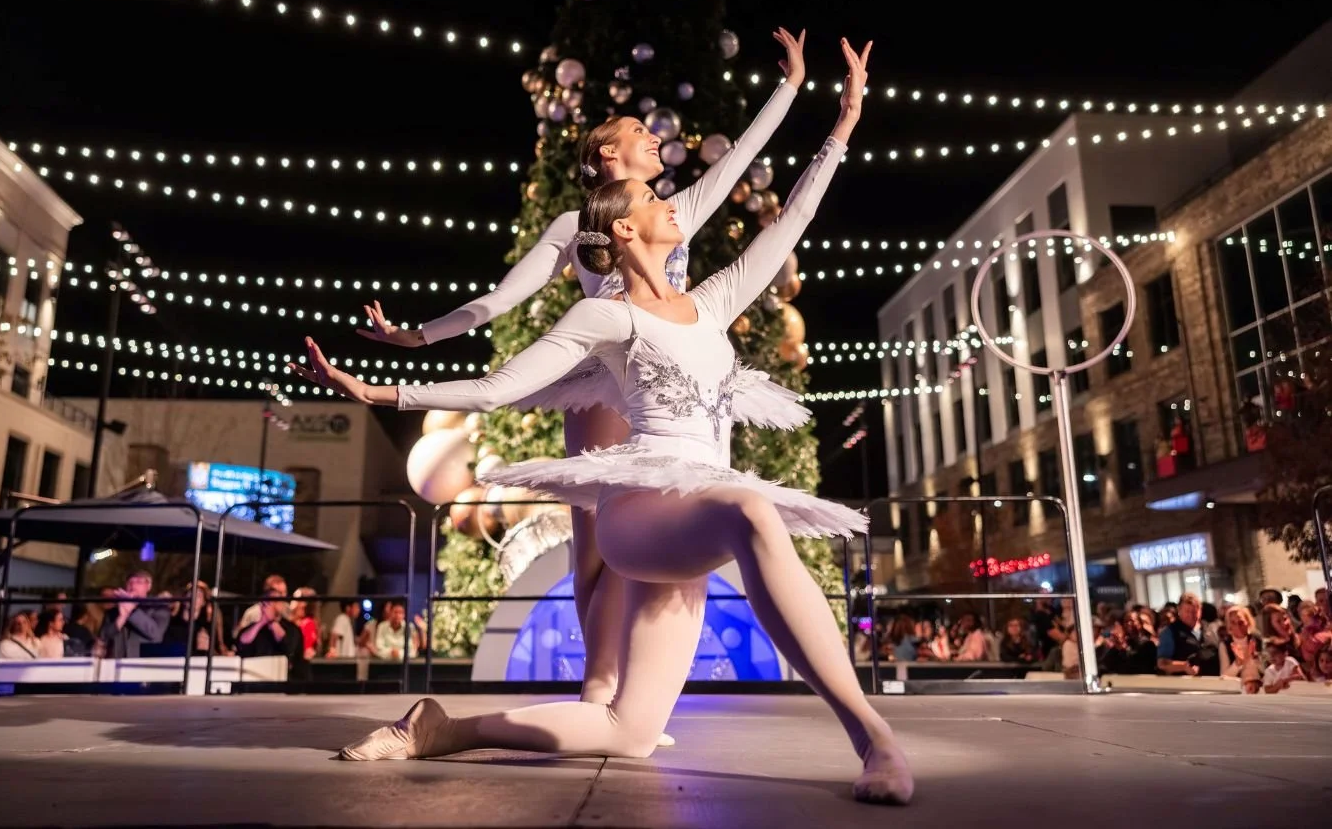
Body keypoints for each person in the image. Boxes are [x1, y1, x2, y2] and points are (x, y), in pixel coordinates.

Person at [292, 39, 913, 806]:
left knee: (629, 728)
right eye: (656, 202)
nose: (675, 202)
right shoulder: (605, 316)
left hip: (697, 500)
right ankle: (875, 740)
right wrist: (378, 389)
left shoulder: (714, 301)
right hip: (641, 508)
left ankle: (439, 729)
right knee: (751, 510)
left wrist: (842, 123)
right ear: (623, 229)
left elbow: (794, 220)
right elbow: (497, 386)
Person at [352, 29, 809, 735]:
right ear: (605, 153)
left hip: (664, 371)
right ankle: (600, 687)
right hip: (601, 376)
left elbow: (741, 157)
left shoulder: (672, 211)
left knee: (646, 534)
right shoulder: (576, 224)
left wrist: (790, 85)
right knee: (598, 541)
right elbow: (502, 299)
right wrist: (419, 337)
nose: (655, 137)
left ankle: (621, 696)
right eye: (638, 132)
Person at [99, 570, 171, 658]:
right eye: (130, 582)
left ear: (148, 586)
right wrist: (121, 619)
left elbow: (156, 634)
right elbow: (103, 637)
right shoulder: (115, 610)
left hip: (143, 661)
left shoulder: (159, 607)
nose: (133, 585)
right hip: (116, 661)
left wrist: (132, 611)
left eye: (138, 582)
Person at [236, 589, 305, 676]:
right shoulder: (254, 628)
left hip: (281, 676)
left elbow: (288, 646)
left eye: (275, 601)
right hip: (255, 675)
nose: (271, 605)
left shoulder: (291, 629)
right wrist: (262, 621)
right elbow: (243, 642)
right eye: (267, 603)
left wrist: (272, 621)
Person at [1156, 592, 1219, 677]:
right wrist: (1184, 667)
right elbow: (1162, 663)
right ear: (1179, 610)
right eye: (1187, 611)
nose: (1191, 615)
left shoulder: (1209, 628)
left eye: (1194, 611)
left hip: (1212, 679)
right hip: (1185, 682)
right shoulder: (1170, 632)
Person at [166, 580, 227, 656]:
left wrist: (208, 649)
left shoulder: (207, 628)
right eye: (191, 593)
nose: (194, 597)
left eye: (198, 595)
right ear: (185, 598)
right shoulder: (172, 622)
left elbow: (220, 654)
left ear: (203, 602)